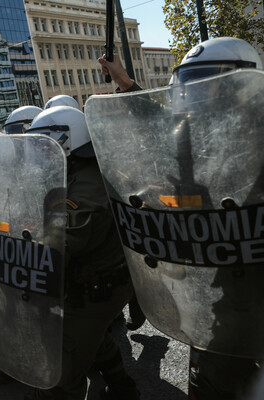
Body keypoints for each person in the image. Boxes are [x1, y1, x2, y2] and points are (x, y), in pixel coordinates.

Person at [99, 37, 263, 400]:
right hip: (223, 291)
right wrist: (125, 84)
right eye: (190, 84)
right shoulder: (197, 136)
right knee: (210, 382)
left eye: (209, 82)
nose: (197, 94)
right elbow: (157, 125)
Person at [24, 106, 139, 400]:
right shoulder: (72, 173)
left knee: (57, 372)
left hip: (98, 286)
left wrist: (20, 255)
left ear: (68, 141)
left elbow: (60, 239)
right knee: (93, 338)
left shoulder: (86, 186)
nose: (40, 154)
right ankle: (122, 388)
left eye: (45, 144)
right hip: (88, 277)